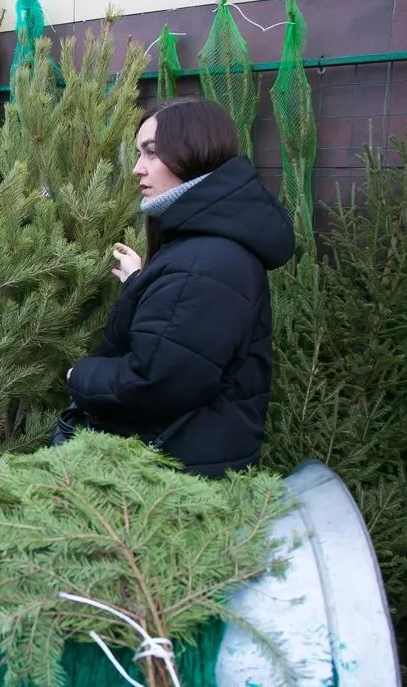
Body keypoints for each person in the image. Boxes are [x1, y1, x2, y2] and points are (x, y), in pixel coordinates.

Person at [61, 97, 296, 477]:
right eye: (138, 153)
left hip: (176, 473)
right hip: (187, 458)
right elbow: (184, 335)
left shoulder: (208, 262)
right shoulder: (205, 246)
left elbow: (154, 383)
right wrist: (142, 281)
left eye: (151, 153)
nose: (137, 169)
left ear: (194, 152)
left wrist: (80, 376)